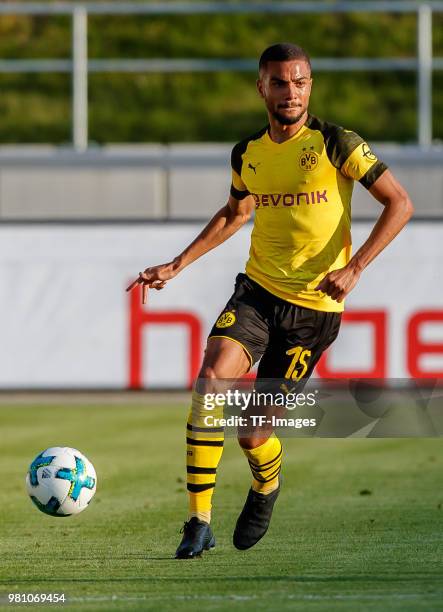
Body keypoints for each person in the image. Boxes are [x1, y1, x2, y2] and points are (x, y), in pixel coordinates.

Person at [127, 43, 414, 558]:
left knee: (252, 434)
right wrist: (176, 264)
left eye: (300, 82)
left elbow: (400, 202)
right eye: (280, 83)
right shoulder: (248, 154)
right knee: (212, 376)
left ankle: (265, 485)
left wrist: (355, 268)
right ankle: (197, 521)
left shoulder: (336, 143)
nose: (291, 92)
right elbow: (235, 214)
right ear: (262, 87)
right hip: (258, 290)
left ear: (311, 86)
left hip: (314, 310)